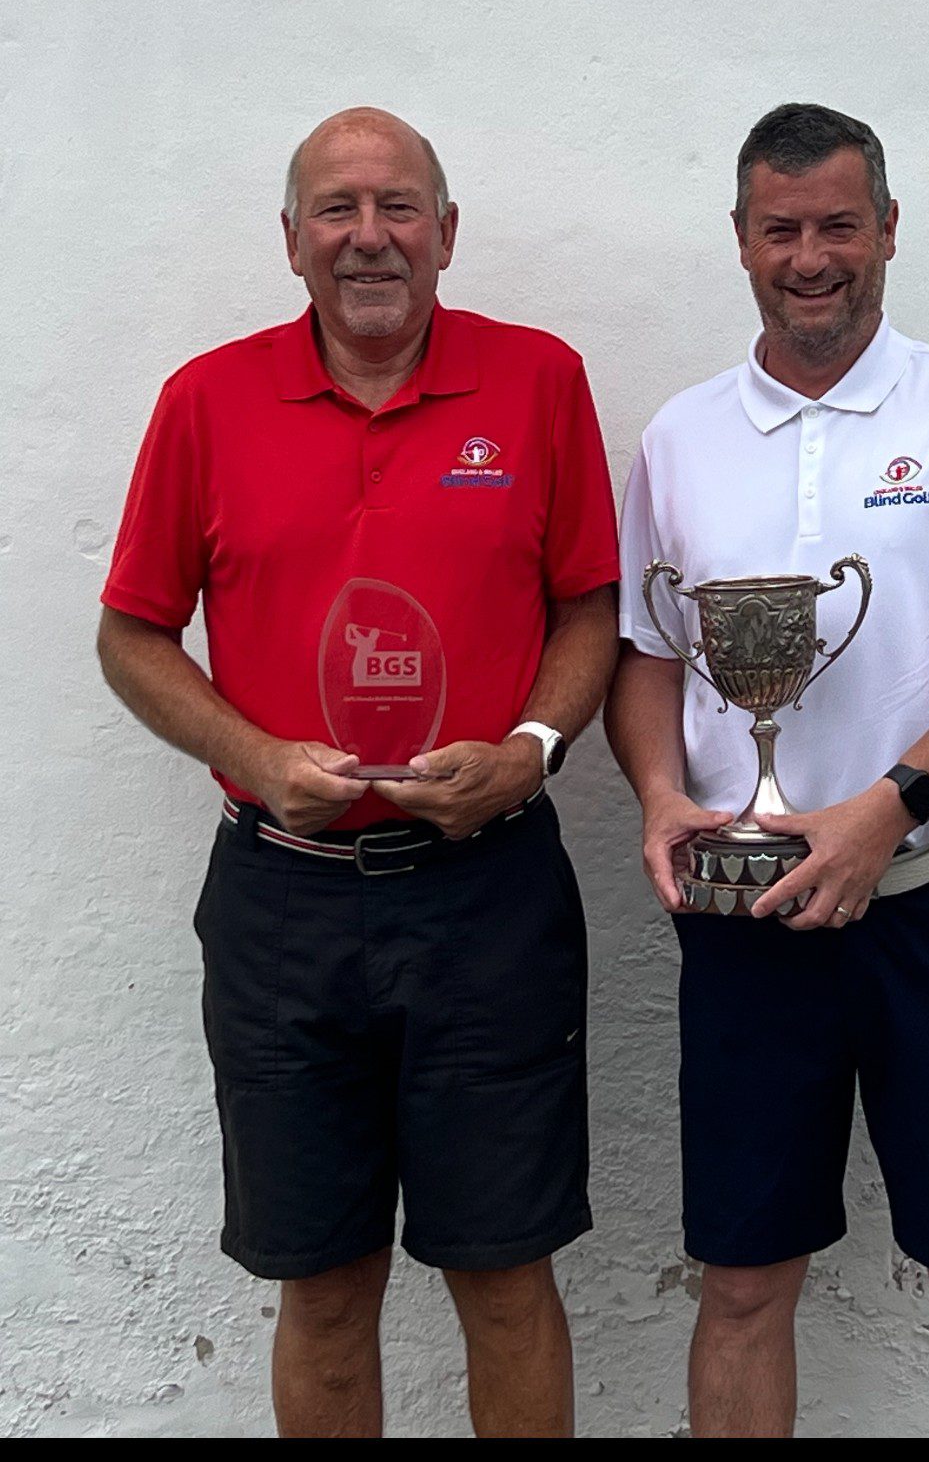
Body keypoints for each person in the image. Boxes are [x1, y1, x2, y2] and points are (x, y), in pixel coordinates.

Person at [98, 107, 619, 1438]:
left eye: (399, 207)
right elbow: (131, 632)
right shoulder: (205, 401)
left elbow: (587, 611)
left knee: (504, 1271)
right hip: (286, 907)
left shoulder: (539, 381)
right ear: (290, 242)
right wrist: (257, 758)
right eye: (337, 209)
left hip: (486, 896)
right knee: (323, 1282)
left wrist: (532, 750)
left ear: (447, 234)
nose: (369, 235)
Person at [605, 102, 929, 1438]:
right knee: (744, 1281)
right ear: (740, 241)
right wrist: (658, 795)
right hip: (748, 916)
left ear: (887, 229)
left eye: (836, 225)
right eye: (780, 230)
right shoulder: (679, 438)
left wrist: (888, 811)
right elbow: (644, 651)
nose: (808, 256)